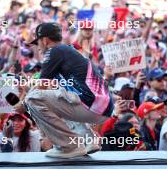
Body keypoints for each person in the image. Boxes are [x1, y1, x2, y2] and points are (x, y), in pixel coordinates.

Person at [20, 22, 114, 158]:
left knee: (32, 99)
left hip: (91, 105)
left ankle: (68, 147)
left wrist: (22, 104)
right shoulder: (68, 51)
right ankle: (88, 139)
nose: (38, 48)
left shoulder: (55, 51)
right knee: (58, 99)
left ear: (45, 40)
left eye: (38, 42)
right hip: (103, 108)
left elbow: (41, 86)